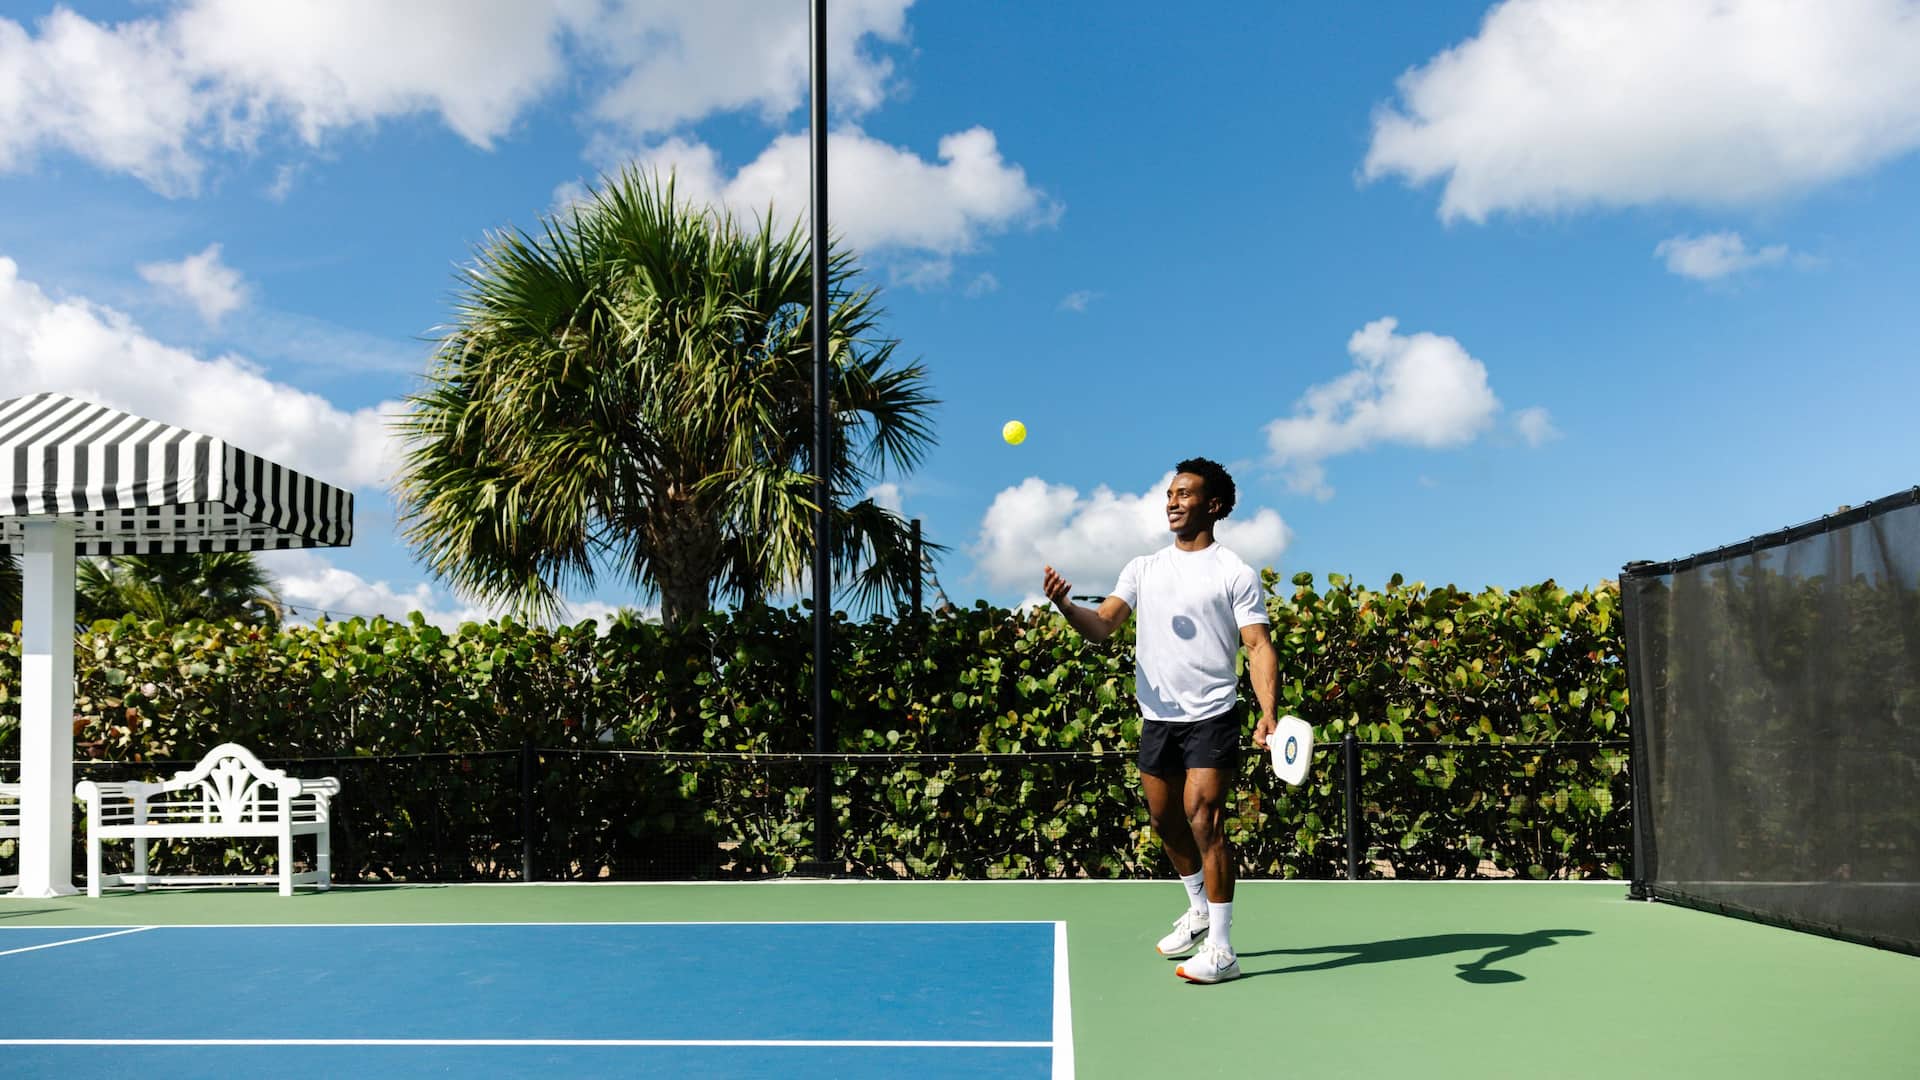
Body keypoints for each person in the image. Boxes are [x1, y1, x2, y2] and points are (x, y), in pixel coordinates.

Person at [1042, 458, 1279, 983]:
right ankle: (1198, 909)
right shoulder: (1142, 568)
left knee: (1204, 819)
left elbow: (1258, 645)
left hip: (1212, 713)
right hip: (1158, 717)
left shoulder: (1233, 571)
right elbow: (1102, 625)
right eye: (1169, 493)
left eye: (1185, 494)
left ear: (1212, 506)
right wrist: (1063, 605)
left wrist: (1268, 714)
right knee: (1164, 821)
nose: (1171, 501)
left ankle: (1222, 948)